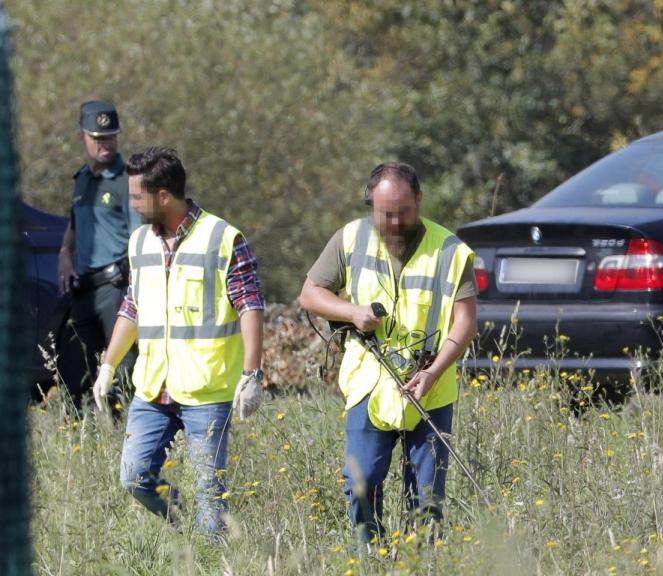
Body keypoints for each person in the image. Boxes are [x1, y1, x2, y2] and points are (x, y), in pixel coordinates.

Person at [299, 162, 477, 548]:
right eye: (385, 214)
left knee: (426, 501)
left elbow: (465, 323)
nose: (394, 222)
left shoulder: (451, 250)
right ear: (371, 206)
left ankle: (420, 564)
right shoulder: (349, 239)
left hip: (430, 387)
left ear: (419, 200)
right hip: (369, 384)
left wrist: (433, 372)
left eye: (403, 212)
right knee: (360, 484)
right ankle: (372, 557)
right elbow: (310, 294)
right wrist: (352, 312)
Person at [92, 147, 265, 537]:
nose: (132, 203)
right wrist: (107, 365)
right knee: (134, 477)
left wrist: (252, 374)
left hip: (207, 390)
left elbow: (251, 306)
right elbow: (132, 307)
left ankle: (207, 555)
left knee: (210, 495)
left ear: (164, 196)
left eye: (138, 195)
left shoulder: (223, 238)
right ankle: (185, 525)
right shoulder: (139, 242)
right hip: (153, 388)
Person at [57, 100, 141, 407]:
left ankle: (127, 437)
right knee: (78, 372)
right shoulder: (81, 179)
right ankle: (88, 437)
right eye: (98, 138)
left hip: (116, 286)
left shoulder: (128, 180)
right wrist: (64, 253)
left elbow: (139, 239)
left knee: (122, 371)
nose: (105, 144)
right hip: (83, 289)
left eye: (110, 136)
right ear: (82, 137)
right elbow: (75, 224)